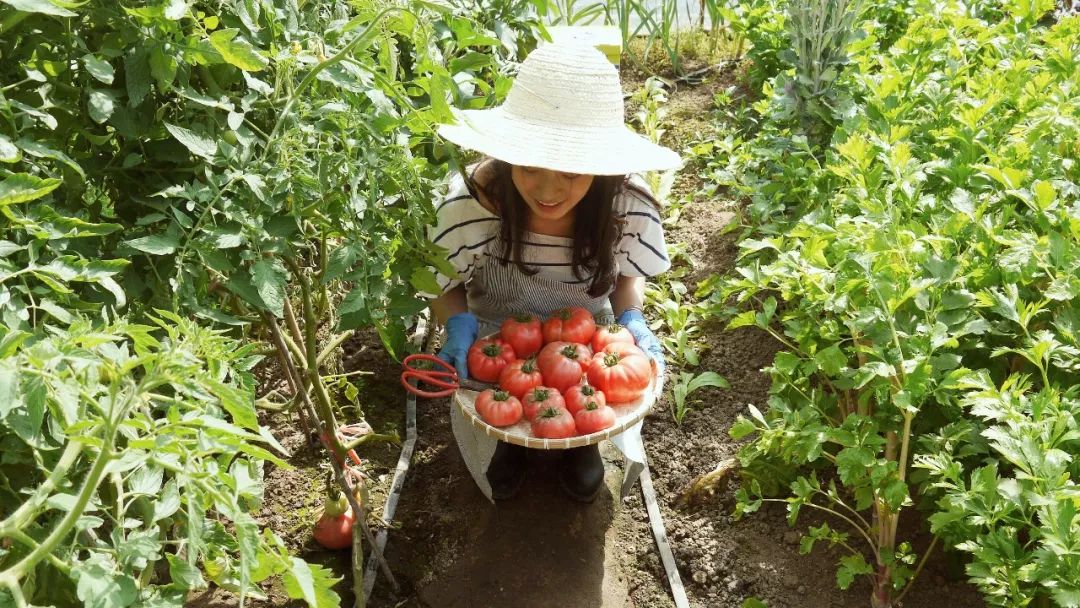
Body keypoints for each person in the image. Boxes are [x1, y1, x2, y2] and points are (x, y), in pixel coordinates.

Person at [423, 41, 680, 503]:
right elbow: (442, 280)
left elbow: (627, 276)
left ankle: (583, 442)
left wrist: (632, 318)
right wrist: (458, 325)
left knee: (586, 403)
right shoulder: (472, 204)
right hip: (495, 338)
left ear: (600, 166)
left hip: (587, 345)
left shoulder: (627, 205)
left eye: (571, 171)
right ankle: (508, 441)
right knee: (500, 418)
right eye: (528, 167)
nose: (547, 189)